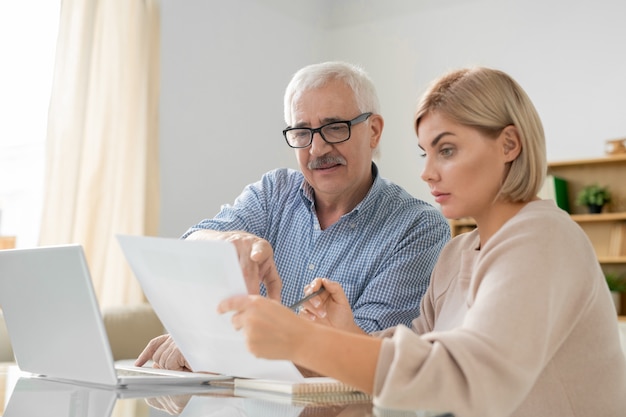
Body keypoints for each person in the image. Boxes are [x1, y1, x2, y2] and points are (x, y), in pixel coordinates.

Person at [217, 67, 626, 417]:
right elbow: (416, 363)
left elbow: (466, 378)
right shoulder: (457, 253)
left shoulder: (544, 238)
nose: (428, 173)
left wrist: (303, 339)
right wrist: (348, 336)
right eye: (424, 154)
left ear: (509, 145)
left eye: (446, 150)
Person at [135, 61, 450, 369]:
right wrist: (227, 240)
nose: (317, 149)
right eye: (302, 132)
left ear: (374, 131)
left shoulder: (418, 229)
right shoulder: (275, 192)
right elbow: (190, 244)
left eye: (335, 128)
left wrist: (209, 346)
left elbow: (363, 358)